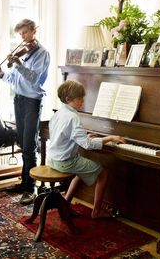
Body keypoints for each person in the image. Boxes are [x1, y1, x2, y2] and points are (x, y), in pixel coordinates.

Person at [0, 19, 50, 205]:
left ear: (34, 31)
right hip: (18, 100)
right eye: (20, 34)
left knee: (29, 145)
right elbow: (16, 80)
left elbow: (33, 80)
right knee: (23, 145)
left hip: (32, 102)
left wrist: (18, 64)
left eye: (25, 33)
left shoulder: (42, 53)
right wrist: (2, 74)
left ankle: (30, 188)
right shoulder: (24, 53)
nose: (22, 37)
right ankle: (24, 182)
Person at [47, 80, 125, 218]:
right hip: (66, 161)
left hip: (53, 158)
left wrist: (83, 136)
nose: (82, 101)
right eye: (79, 99)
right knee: (104, 172)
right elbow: (87, 145)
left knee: (82, 169)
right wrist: (109, 138)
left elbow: (65, 134)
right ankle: (96, 211)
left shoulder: (59, 113)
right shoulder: (73, 117)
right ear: (68, 99)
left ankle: (66, 202)